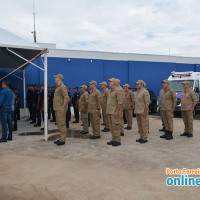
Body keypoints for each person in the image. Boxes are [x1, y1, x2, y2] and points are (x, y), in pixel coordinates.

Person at [53, 74, 69, 146]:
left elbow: (66, 98)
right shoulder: (58, 87)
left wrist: (63, 108)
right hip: (57, 108)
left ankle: (63, 140)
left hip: (60, 109)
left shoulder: (63, 87)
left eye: (56, 78)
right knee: (59, 123)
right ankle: (61, 138)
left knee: (62, 124)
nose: (55, 79)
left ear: (59, 78)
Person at [106, 78, 122, 146]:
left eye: (110, 81)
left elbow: (119, 102)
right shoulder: (110, 91)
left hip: (114, 112)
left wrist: (117, 111)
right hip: (109, 111)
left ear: (114, 83)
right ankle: (113, 139)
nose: (109, 82)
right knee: (111, 127)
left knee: (116, 126)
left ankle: (118, 140)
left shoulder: (117, 90)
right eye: (109, 81)